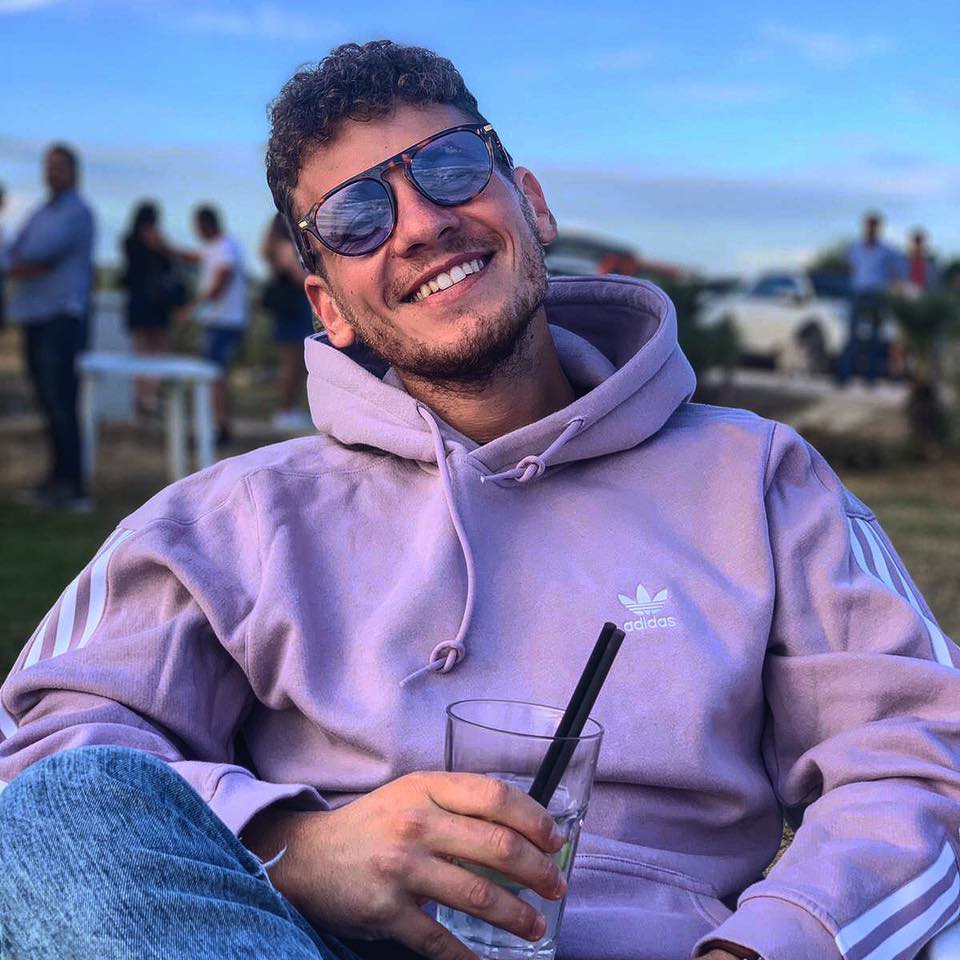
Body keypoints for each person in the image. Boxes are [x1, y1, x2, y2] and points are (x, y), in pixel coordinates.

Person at [1, 41, 959, 960]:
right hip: (296, 941)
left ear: (530, 202)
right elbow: (40, 756)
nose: (421, 223)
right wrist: (297, 847)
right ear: (327, 307)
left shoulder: (759, 478)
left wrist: (759, 949)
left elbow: (921, 752)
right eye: (354, 217)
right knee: (53, 813)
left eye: (451, 167)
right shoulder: (231, 519)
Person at [5, 143, 94, 509]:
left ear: (73, 171)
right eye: (47, 165)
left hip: (60, 319)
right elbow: (16, 252)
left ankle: (72, 486)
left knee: (61, 403)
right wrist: (19, 261)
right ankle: (56, 479)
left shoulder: (77, 213)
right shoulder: (41, 211)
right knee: (46, 401)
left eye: (58, 166)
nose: (50, 172)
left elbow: (34, 253)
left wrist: (19, 262)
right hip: (36, 318)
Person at [182, 204, 248, 447]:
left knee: (214, 376)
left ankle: (220, 427)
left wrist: (195, 308)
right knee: (216, 375)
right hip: (222, 322)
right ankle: (219, 425)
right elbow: (194, 257)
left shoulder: (224, 247)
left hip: (223, 322)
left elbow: (221, 279)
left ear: (206, 224)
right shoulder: (219, 247)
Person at [119, 200, 183, 416]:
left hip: (141, 302)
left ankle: (143, 397)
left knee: (142, 350)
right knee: (155, 350)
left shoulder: (129, 241)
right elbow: (170, 264)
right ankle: (146, 397)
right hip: (154, 304)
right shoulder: (149, 243)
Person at [261, 213, 314, 431]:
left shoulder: (275, 245)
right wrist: (319, 284)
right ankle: (285, 410)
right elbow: (298, 275)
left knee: (295, 363)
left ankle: (289, 409)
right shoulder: (285, 246)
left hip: (290, 311)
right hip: (294, 310)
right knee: (293, 364)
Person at [837, 212, 901, 385]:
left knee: (874, 337)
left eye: (874, 225)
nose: (871, 229)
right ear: (865, 226)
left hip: (876, 295)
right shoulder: (854, 247)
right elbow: (847, 264)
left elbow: (894, 272)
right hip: (858, 293)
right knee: (852, 335)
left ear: (878, 228)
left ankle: (870, 377)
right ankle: (844, 374)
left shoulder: (885, 250)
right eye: (869, 225)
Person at [905, 228, 940, 295]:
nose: (918, 245)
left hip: (925, 296)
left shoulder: (930, 264)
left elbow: (934, 285)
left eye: (920, 242)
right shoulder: (901, 262)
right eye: (916, 242)